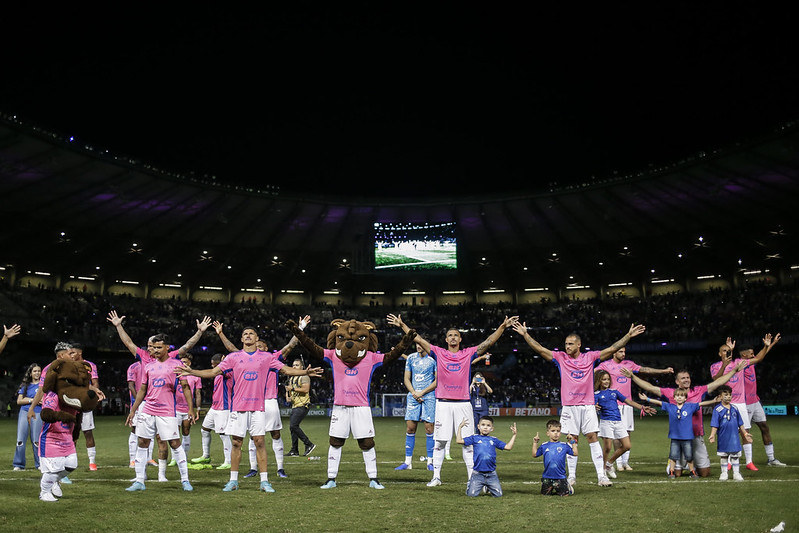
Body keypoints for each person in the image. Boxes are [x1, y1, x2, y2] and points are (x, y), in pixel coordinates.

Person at [176, 325, 320, 493]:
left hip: (258, 408)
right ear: (241, 339)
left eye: (252, 333)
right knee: (236, 443)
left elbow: (285, 369)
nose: (248, 336)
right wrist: (192, 372)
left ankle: (264, 481)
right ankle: (233, 481)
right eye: (245, 334)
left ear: (256, 338)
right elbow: (214, 372)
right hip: (238, 408)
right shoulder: (233, 357)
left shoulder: (266, 357)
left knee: (260, 442)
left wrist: (305, 372)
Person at [387, 313, 518, 488]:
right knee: (440, 441)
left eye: (456, 335)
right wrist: (402, 324)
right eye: (450, 335)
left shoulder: (468, 353)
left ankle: (472, 478)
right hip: (443, 403)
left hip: (463, 404)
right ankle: (436, 477)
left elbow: (488, 342)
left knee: (468, 444)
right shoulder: (438, 353)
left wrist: (502, 326)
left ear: (460, 338)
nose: (453, 337)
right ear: (446, 339)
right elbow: (417, 337)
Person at [511, 321, 646, 486]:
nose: (567, 347)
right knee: (571, 439)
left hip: (587, 405)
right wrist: (525, 334)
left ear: (579, 344)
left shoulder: (590, 357)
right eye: (565, 344)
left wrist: (628, 336)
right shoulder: (561, 358)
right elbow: (540, 349)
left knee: (592, 437)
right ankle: (572, 477)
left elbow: (611, 349)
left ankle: (601, 476)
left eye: (570, 344)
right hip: (569, 406)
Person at [107, 310, 211, 481]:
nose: (151, 348)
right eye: (150, 345)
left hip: (165, 404)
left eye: (155, 345)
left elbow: (187, 346)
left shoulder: (171, 357)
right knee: (141, 438)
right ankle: (140, 475)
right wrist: (118, 326)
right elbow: (128, 343)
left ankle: (163, 474)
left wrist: (199, 332)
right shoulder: (144, 357)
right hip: (146, 404)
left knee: (164, 439)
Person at [621, 359, 748, 477]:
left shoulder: (699, 390)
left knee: (704, 473)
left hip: (697, 435)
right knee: (677, 474)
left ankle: (691, 462)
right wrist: (632, 376)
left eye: (688, 377)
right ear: (677, 382)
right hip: (679, 436)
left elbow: (717, 382)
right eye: (683, 378)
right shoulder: (671, 393)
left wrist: (734, 370)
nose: (686, 380)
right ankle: (676, 463)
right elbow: (650, 387)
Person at [125, 333, 197, 492]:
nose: (155, 350)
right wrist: (133, 410)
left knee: (175, 444)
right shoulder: (149, 366)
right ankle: (139, 481)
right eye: (154, 347)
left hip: (167, 411)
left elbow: (185, 387)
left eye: (159, 347)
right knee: (142, 443)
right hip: (148, 410)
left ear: (167, 348)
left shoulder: (177, 364)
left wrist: (191, 408)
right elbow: (142, 389)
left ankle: (185, 480)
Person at [596, 346, 673, 472]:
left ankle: (625, 462)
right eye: (620, 352)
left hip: (627, 404)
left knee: (627, 433)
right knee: (615, 435)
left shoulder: (629, 364)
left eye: (624, 352)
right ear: (614, 352)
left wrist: (663, 371)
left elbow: (645, 370)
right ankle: (618, 463)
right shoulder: (605, 365)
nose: (623, 354)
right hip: (614, 404)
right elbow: (592, 372)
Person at [710, 333, 779, 470]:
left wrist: (768, 345)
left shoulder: (739, 363)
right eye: (724, 350)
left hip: (742, 403)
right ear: (719, 354)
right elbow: (716, 380)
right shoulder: (715, 366)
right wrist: (724, 365)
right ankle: (729, 461)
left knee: (745, 432)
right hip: (727, 403)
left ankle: (749, 462)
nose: (726, 352)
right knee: (728, 432)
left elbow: (758, 358)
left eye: (728, 350)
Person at [641, 388, 719, 479]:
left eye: (682, 396)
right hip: (675, 436)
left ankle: (692, 471)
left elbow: (701, 404)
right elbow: (660, 403)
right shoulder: (671, 406)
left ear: (685, 398)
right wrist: (647, 399)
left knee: (689, 456)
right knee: (673, 456)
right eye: (677, 396)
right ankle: (671, 471)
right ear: (674, 397)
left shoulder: (690, 406)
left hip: (687, 437)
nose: (679, 398)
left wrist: (713, 401)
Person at [593, 369, 655, 480]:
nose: (606, 381)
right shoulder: (596, 395)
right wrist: (594, 407)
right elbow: (591, 406)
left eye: (608, 379)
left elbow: (628, 401)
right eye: (604, 379)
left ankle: (609, 464)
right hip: (606, 422)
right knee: (607, 448)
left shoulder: (614, 392)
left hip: (618, 421)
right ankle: (602, 471)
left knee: (627, 445)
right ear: (599, 381)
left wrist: (642, 407)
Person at [739, 334, 786, 467]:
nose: (754, 356)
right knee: (745, 432)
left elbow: (761, 355)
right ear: (744, 356)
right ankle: (748, 461)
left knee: (764, 427)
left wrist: (771, 344)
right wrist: (767, 345)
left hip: (755, 401)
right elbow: (760, 357)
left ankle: (771, 459)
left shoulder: (752, 361)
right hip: (745, 403)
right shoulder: (741, 365)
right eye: (751, 354)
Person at [395, 342, 436, 471]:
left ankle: (430, 462)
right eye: (417, 344)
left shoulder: (433, 359)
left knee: (429, 429)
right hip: (413, 396)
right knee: (410, 428)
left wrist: (422, 392)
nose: (418, 346)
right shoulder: (411, 358)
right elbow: (406, 378)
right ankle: (408, 462)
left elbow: (438, 380)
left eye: (421, 344)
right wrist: (414, 393)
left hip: (428, 396)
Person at [190, 353, 233, 469]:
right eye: (212, 365)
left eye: (215, 365)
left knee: (223, 434)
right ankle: (206, 456)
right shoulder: (218, 375)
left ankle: (228, 461)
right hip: (214, 407)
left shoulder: (227, 373)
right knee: (204, 429)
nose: (213, 367)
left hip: (224, 408)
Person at [456, 416, 516, 497]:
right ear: (478, 426)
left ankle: (488, 486)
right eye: (483, 425)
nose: (485, 427)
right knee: (471, 495)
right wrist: (460, 427)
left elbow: (508, 447)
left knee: (498, 495)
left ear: (492, 428)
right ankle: (470, 484)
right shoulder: (474, 438)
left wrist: (514, 435)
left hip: (491, 474)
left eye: (488, 426)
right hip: (477, 474)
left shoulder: (494, 440)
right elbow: (458, 441)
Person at [708, 384, 754, 481]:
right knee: (724, 455)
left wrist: (745, 434)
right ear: (720, 397)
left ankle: (736, 473)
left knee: (735, 456)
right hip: (723, 436)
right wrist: (712, 435)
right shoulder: (717, 410)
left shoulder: (735, 409)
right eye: (726, 394)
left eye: (730, 394)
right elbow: (715, 424)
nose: (728, 396)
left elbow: (740, 423)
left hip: (734, 438)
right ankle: (724, 473)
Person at [70, 343, 101, 471]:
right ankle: (70, 462)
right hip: (71, 403)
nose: (70, 355)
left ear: (79, 353)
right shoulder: (68, 366)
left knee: (88, 432)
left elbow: (95, 383)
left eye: (72, 352)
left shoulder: (90, 365)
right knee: (71, 433)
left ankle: (92, 462)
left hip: (85, 403)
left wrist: (93, 397)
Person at [171, 353, 202, 466]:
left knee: (186, 432)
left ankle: (184, 457)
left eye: (185, 362)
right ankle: (174, 458)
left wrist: (197, 409)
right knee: (174, 434)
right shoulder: (175, 375)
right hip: (175, 409)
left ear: (189, 363)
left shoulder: (195, 376)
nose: (183, 364)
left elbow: (197, 393)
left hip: (187, 409)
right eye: (181, 362)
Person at [532, 419, 578, 496]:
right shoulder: (544, 445)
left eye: (558, 431)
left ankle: (566, 485)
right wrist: (535, 442)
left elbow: (575, 453)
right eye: (553, 431)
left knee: (564, 495)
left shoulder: (564, 445)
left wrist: (572, 441)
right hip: (547, 477)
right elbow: (534, 454)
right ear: (548, 433)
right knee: (545, 495)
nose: (556, 433)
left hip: (560, 477)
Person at [285, 357, 316, 457]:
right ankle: (294, 450)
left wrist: (292, 388)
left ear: (302, 367)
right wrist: (287, 391)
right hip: (295, 405)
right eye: (293, 365)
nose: (294, 366)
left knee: (293, 426)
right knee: (292, 428)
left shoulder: (304, 377)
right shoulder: (292, 378)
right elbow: (289, 399)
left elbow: (306, 389)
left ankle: (309, 444)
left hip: (303, 405)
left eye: (297, 365)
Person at [13, 363, 42, 471]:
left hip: (38, 412)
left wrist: (31, 400)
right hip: (24, 412)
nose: (37, 373)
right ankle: (19, 464)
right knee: (20, 439)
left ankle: (39, 463)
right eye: (35, 371)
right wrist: (33, 400)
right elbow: (19, 401)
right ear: (30, 373)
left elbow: (44, 401)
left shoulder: (42, 386)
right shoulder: (25, 385)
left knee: (36, 440)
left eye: (39, 371)